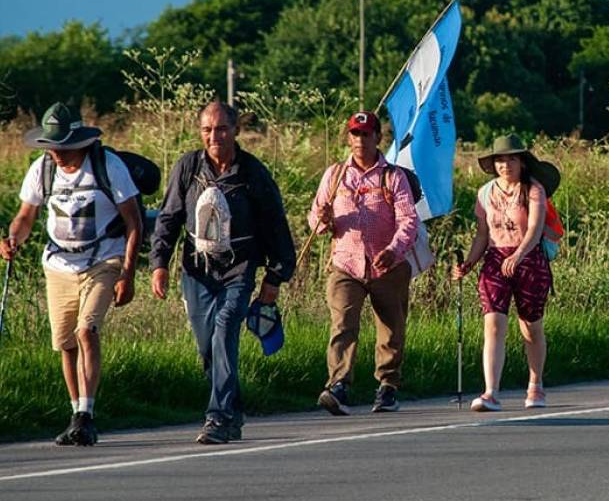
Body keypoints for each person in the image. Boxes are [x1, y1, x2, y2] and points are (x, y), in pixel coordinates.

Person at [150, 101, 296, 444]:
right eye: (207, 130)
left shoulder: (253, 173)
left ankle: (217, 417)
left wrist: (275, 277)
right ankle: (233, 410)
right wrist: (159, 265)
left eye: (221, 129)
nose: (214, 136)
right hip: (196, 271)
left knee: (224, 328)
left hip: (239, 270)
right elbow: (169, 218)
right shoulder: (188, 167)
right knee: (208, 348)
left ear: (236, 131)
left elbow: (276, 227)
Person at [0, 102, 141, 446]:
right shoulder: (42, 170)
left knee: (86, 330)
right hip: (58, 265)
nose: (57, 154)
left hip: (103, 260)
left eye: (63, 146)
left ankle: (86, 416)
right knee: (65, 344)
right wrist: (13, 238)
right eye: (51, 147)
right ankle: (75, 412)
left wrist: (127, 273)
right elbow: (26, 216)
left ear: (79, 141)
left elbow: (134, 222)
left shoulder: (108, 166)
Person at [309, 111, 418, 415]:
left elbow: (409, 219)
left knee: (391, 327)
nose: (360, 140)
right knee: (343, 323)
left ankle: (387, 386)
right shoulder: (334, 175)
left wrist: (394, 250)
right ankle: (339, 384)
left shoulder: (393, 176)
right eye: (355, 134)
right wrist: (323, 222)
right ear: (348, 137)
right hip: (346, 264)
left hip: (388, 266)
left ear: (377, 138)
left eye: (366, 134)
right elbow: (316, 216)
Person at [452, 134, 558, 412]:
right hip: (495, 258)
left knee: (530, 326)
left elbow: (535, 229)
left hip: (529, 259)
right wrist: (469, 263)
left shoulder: (534, 190)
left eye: (511, 159)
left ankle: (535, 384)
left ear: (522, 162)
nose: (505, 165)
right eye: (500, 159)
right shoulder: (485, 193)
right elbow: (482, 235)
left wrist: (519, 255)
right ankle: (490, 392)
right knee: (493, 323)